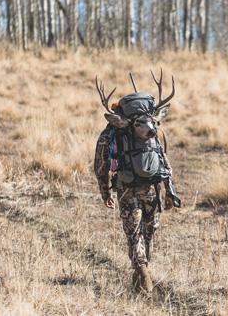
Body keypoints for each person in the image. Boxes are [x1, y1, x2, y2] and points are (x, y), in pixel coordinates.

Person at [93, 75, 180, 295]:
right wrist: (170, 192)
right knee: (149, 231)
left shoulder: (111, 133)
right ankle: (143, 269)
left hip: (126, 188)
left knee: (134, 232)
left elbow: (101, 166)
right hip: (152, 187)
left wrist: (105, 192)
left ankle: (141, 269)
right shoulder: (152, 129)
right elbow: (163, 160)